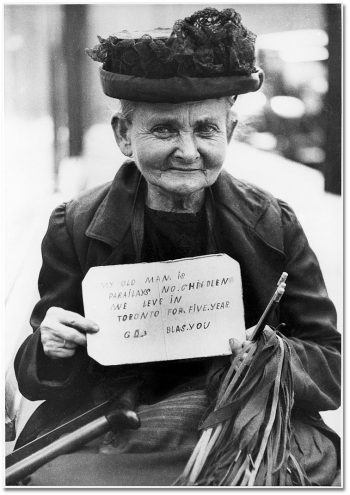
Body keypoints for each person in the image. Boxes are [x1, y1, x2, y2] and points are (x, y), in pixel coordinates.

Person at [12, 7, 340, 486]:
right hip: (120, 422)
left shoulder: (273, 223)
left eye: (206, 129)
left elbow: (328, 360)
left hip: (240, 418)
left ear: (228, 133)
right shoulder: (75, 225)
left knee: (304, 471)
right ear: (125, 135)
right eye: (164, 129)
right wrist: (50, 347)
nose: (188, 151)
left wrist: (270, 356)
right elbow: (34, 369)